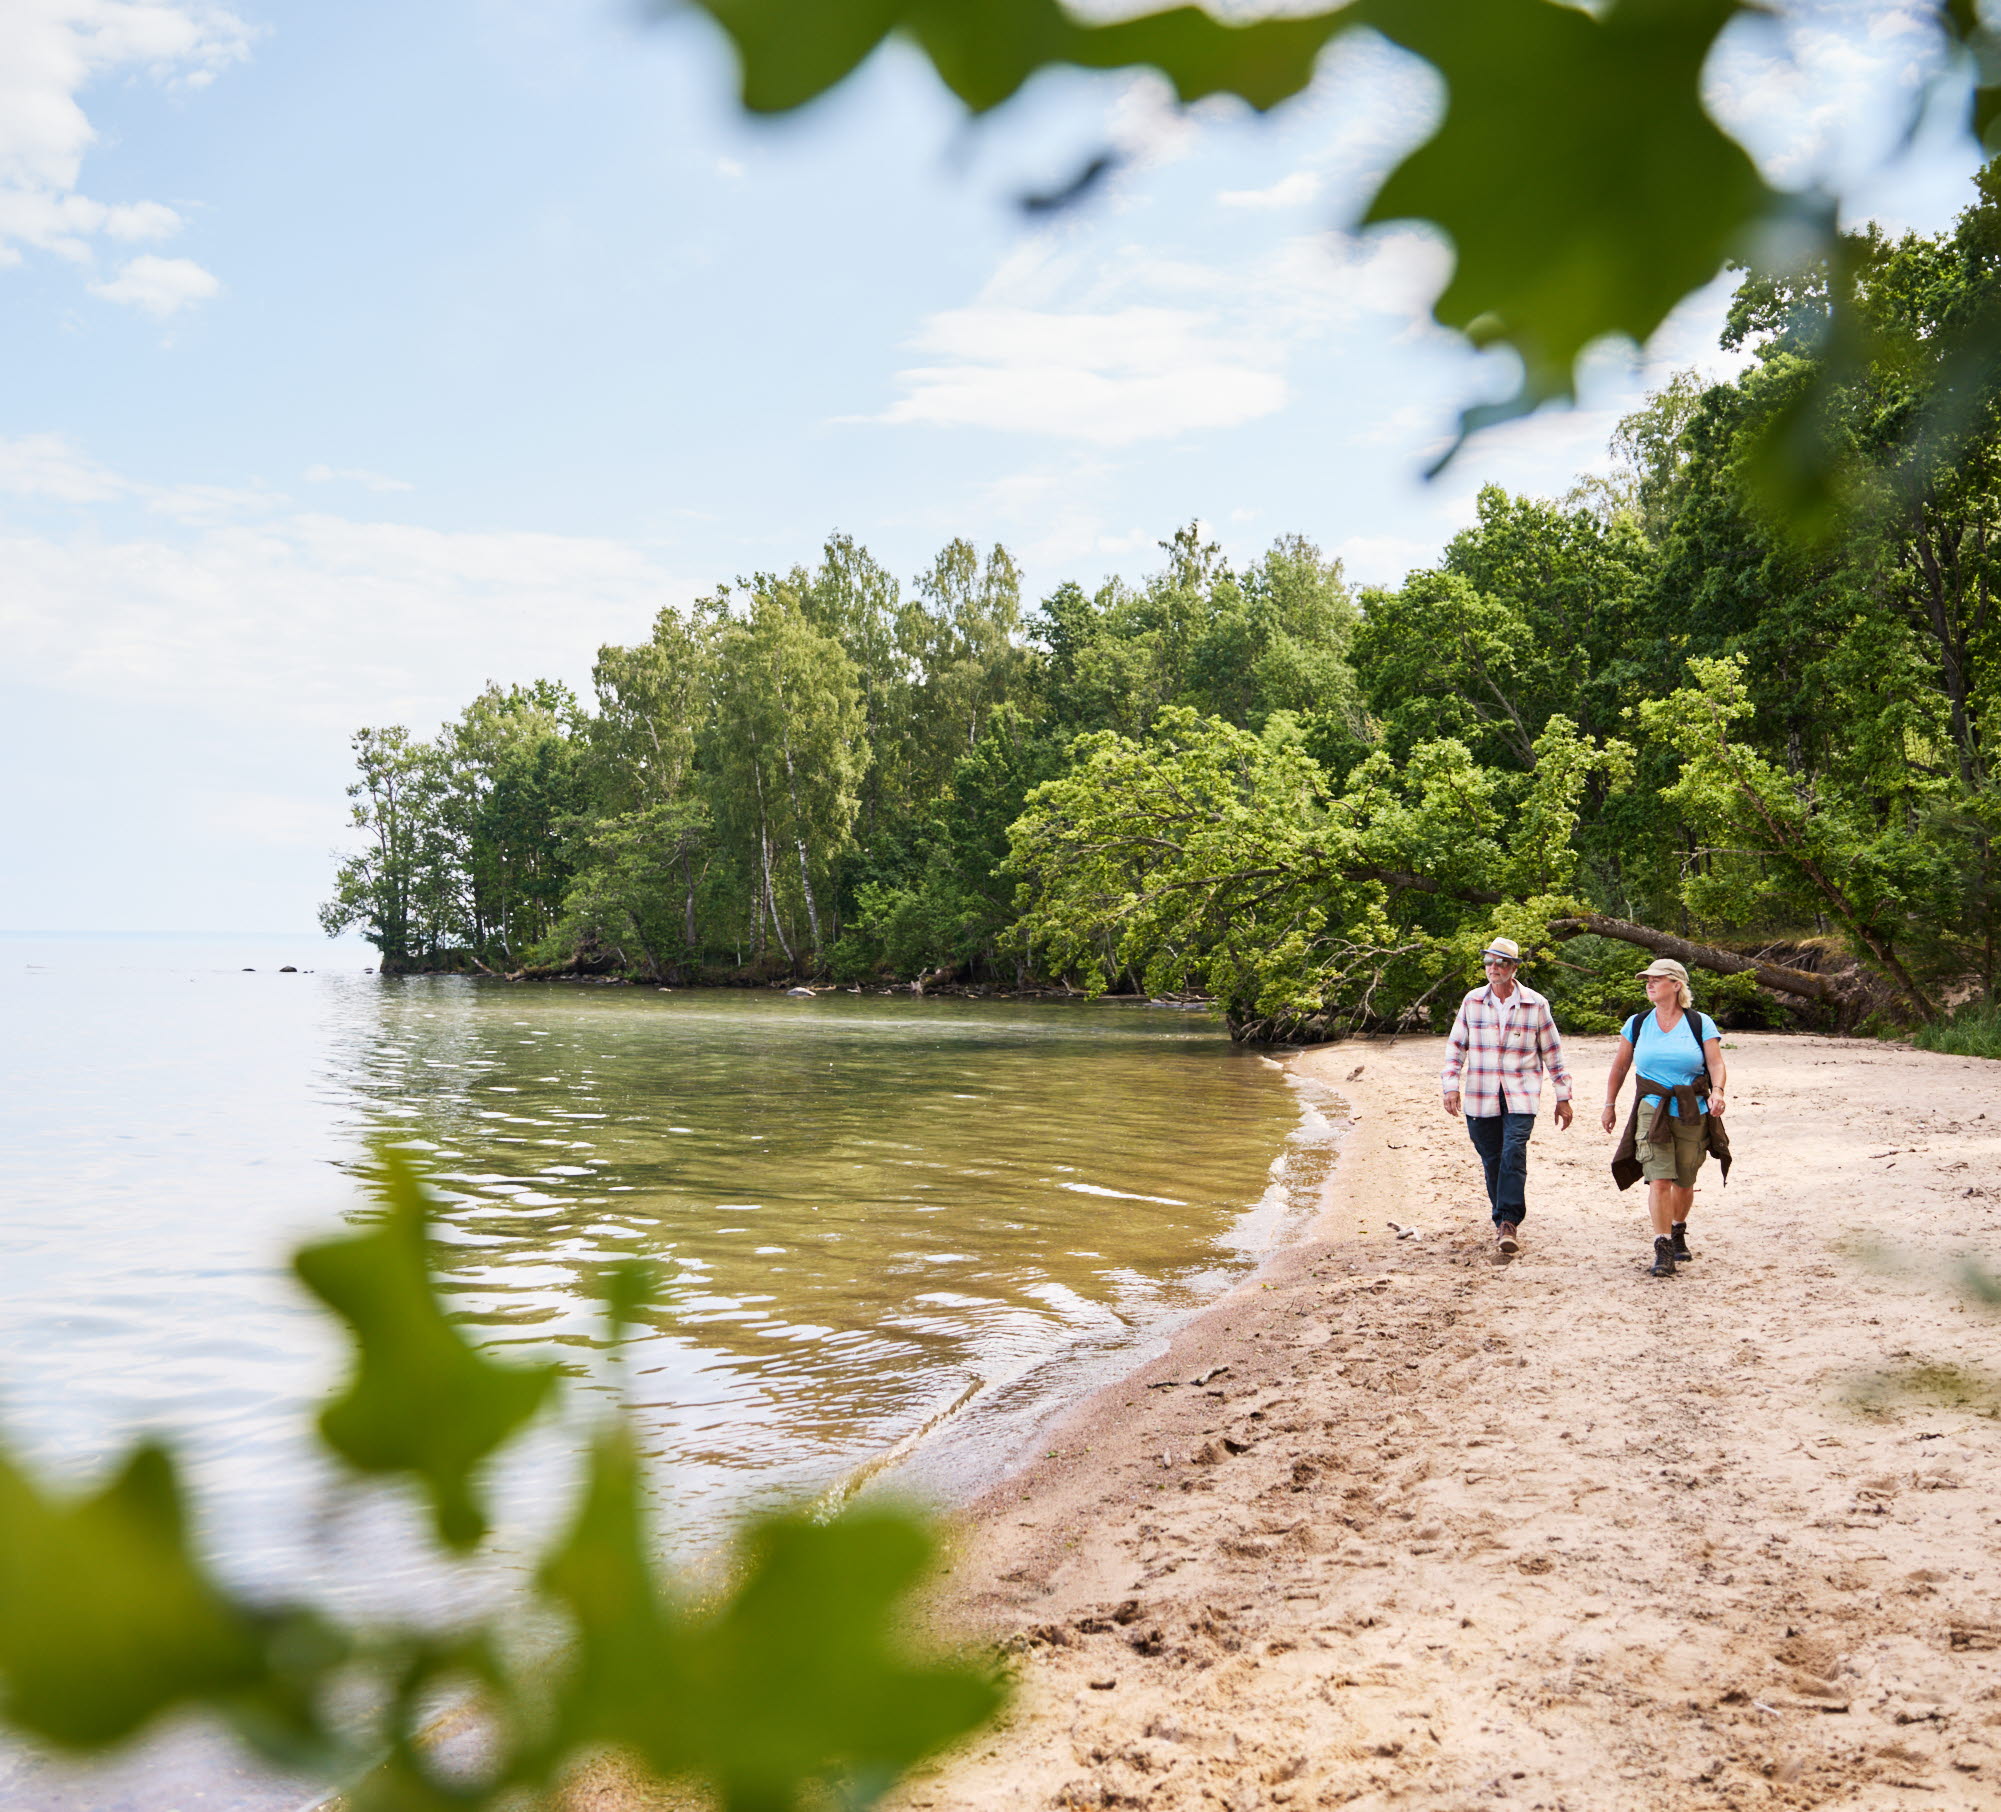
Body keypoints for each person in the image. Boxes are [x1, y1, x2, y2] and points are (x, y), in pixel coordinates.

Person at [1441, 937, 1574, 1259]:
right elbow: (1456, 1047)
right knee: (1492, 1159)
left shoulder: (1535, 1004)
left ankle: (1508, 1222)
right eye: (1489, 962)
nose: (1493, 968)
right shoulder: (1472, 1001)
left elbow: (1552, 1052)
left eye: (1501, 962)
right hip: (1480, 1094)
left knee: (1513, 1151)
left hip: (1521, 1094)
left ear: (1513, 968)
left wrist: (1563, 1096)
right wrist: (1450, 1085)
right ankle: (1502, 1218)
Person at [1601, 957, 1731, 1278]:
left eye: (1656, 979)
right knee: (1659, 1179)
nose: (1649, 984)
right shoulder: (1637, 1023)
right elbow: (1620, 1066)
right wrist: (1609, 1104)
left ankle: (1677, 1229)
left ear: (1676, 985)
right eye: (1647, 979)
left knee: (1684, 1181)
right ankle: (1662, 1247)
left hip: (1691, 1109)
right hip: (1651, 1108)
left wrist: (1717, 1091)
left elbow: (1716, 1063)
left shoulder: (1700, 1023)